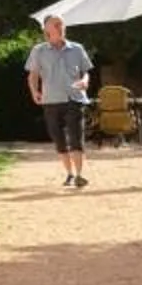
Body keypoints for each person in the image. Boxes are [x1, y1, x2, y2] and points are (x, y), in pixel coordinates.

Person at [26, 14, 94, 187]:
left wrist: (85, 81)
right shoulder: (38, 51)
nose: (60, 27)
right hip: (50, 100)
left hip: (74, 98)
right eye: (56, 25)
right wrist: (35, 91)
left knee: (76, 136)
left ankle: (79, 175)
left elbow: (86, 71)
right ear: (46, 30)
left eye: (61, 24)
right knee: (59, 139)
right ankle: (69, 173)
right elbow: (33, 75)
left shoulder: (77, 49)